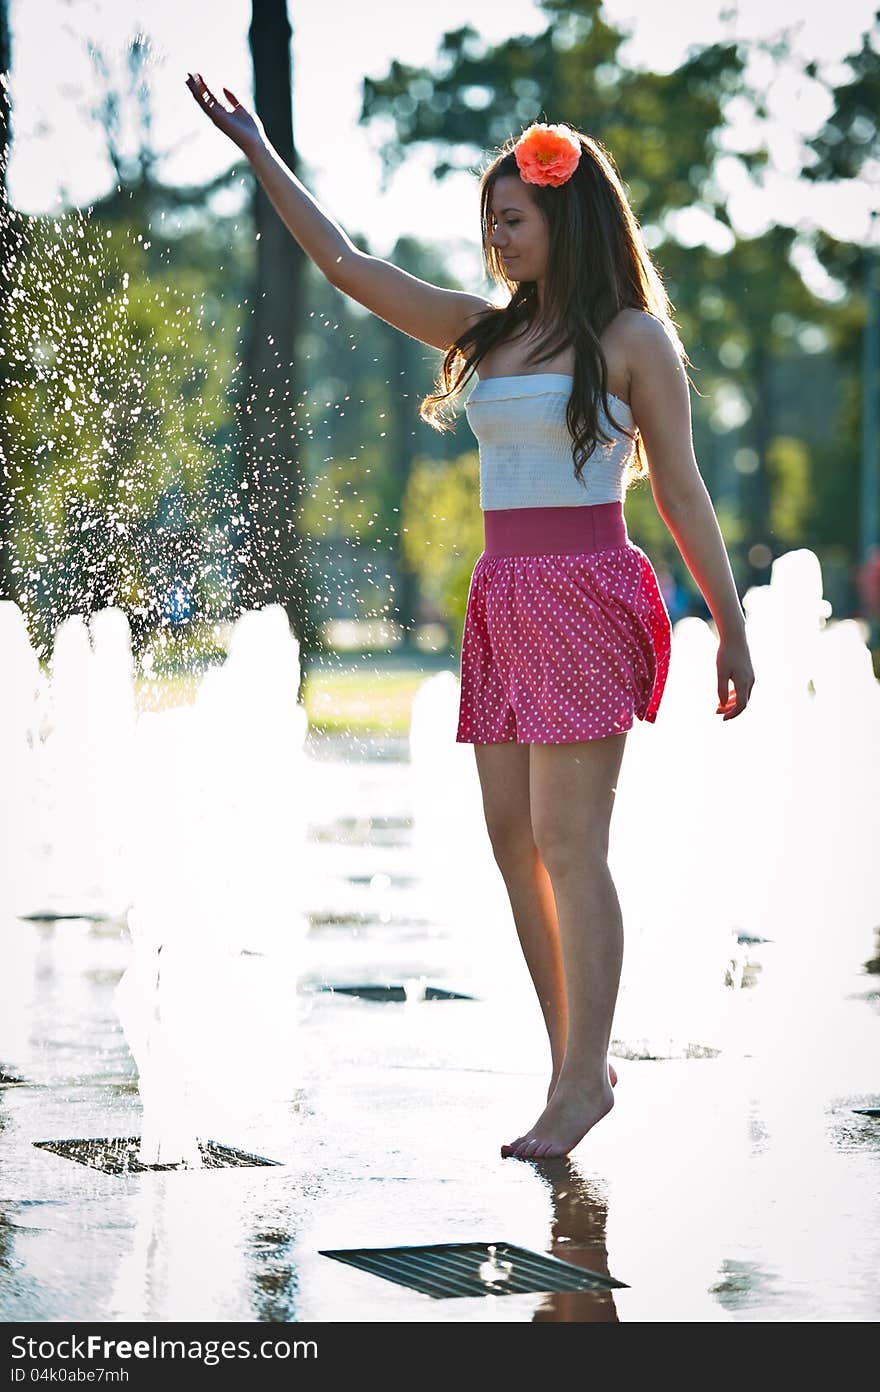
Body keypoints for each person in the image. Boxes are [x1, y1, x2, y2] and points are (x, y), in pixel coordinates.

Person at [186, 77, 756, 1160]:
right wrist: (260, 150)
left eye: (513, 218)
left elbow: (679, 490)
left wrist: (729, 621)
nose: (495, 238)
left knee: (567, 843)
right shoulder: (484, 334)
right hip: (501, 600)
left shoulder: (634, 338)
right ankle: (569, 1063)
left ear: (567, 219)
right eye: (488, 221)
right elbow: (348, 268)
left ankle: (583, 1079)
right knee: (510, 843)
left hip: (586, 593)